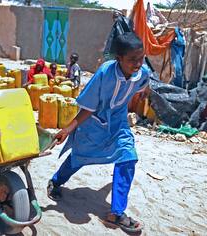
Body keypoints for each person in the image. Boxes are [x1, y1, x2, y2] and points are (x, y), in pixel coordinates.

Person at [47, 32, 149, 233]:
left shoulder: (142, 73)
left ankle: (117, 213)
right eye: (132, 60)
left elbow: (144, 87)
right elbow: (88, 108)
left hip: (118, 123)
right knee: (79, 157)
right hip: (93, 123)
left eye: (141, 58)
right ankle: (56, 181)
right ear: (119, 58)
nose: (137, 64)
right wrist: (68, 129)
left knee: (128, 157)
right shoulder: (105, 73)